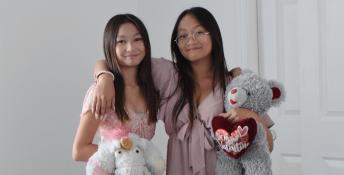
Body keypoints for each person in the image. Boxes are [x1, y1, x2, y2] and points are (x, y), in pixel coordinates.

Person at [92, 7, 274, 175]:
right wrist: (104, 77)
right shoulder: (167, 74)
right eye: (183, 36)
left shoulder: (236, 85)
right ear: (176, 43)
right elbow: (122, 59)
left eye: (199, 32)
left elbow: (267, 146)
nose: (191, 40)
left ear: (214, 35)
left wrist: (252, 116)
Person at [72, 13, 160, 174]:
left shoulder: (152, 89)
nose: (130, 48)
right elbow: (79, 150)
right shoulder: (101, 92)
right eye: (121, 41)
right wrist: (123, 155)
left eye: (137, 39)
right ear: (110, 46)